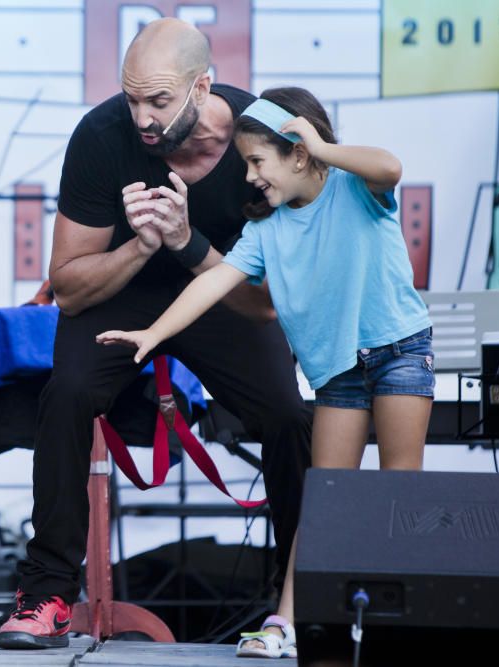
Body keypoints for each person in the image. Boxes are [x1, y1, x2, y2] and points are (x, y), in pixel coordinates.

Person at [0, 18, 312, 650]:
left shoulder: (261, 134)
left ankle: (299, 597)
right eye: (132, 97)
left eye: (159, 101)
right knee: (67, 392)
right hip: (124, 286)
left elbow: (269, 305)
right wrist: (143, 247)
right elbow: (70, 285)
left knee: (287, 413)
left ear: (202, 87)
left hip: (222, 286)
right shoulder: (102, 135)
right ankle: (48, 593)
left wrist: (185, 242)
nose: (142, 116)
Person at [97, 86, 434, 658]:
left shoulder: (356, 188)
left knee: (397, 493)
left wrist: (323, 145)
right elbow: (212, 282)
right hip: (338, 374)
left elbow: (391, 166)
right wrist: (155, 332)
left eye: (257, 161)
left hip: (399, 350)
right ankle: (286, 621)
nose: (250, 176)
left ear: (299, 154)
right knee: (323, 501)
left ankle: (401, 619)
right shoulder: (266, 230)